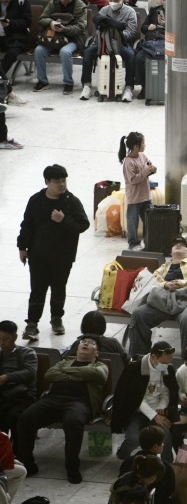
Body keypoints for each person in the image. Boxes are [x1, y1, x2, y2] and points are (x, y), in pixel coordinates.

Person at [16, 335, 108, 483]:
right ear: (77, 348)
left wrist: (66, 373)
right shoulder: (65, 362)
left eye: (90, 343)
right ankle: (27, 463)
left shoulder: (99, 366)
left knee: (73, 422)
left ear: (96, 353)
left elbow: (97, 375)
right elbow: (49, 375)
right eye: (83, 342)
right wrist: (79, 376)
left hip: (79, 403)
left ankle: (72, 467)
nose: (85, 344)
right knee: (26, 418)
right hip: (53, 399)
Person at [17, 163, 89, 341]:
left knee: (58, 289)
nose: (62, 184)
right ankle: (32, 324)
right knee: (37, 290)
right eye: (57, 181)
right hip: (38, 256)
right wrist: (22, 247)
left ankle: (57, 319)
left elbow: (83, 224)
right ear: (47, 182)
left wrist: (63, 220)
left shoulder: (71, 202)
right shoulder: (36, 201)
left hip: (62, 257)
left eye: (64, 180)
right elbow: (27, 225)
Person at [110, 341, 177, 464]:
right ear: (153, 357)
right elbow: (135, 399)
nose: (166, 366)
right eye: (163, 363)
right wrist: (154, 416)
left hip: (157, 411)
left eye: (168, 363)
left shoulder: (168, 369)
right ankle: (123, 454)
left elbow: (167, 392)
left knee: (166, 435)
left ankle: (167, 464)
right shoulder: (134, 369)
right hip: (137, 412)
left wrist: (161, 407)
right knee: (134, 438)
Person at [82, 0, 141, 101]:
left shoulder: (130, 12)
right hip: (104, 41)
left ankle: (129, 87)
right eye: (111, 0)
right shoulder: (104, 10)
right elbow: (98, 26)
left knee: (130, 55)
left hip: (121, 43)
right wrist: (113, 26)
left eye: (116, 0)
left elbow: (131, 32)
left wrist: (115, 33)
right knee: (88, 52)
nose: (113, 3)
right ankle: (86, 85)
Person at [32, 0, 89, 95]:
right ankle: (42, 81)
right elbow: (42, 19)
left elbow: (80, 27)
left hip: (74, 38)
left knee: (65, 52)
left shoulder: (80, 6)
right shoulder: (53, 3)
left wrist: (64, 29)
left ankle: (68, 82)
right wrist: (51, 22)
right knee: (38, 50)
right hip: (54, 37)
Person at [0, 320, 37, 450]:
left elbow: (30, 373)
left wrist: (7, 377)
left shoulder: (27, 353)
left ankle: (19, 454)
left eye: (5, 339)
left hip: (23, 396)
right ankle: (4, 455)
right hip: (4, 396)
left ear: (15, 337)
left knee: (14, 417)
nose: (2, 343)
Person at [119, 132, 156, 252]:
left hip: (146, 196)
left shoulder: (142, 156)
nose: (145, 145)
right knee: (132, 222)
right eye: (143, 143)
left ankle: (149, 241)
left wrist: (152, 169)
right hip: (134, 198)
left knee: (149, 221)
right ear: (135, 146)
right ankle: (133, 243)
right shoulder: (128, 162)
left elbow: (148, 165)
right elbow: (133, 180)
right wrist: (146, 171)